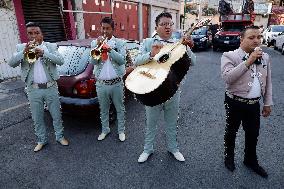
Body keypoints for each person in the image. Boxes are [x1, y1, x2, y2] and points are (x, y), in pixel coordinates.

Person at [135, 12, 194, 163]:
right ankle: (147, 149)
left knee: (172, 123)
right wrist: (150, 54)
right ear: (156, 27)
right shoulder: (148, 42)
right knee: (151, 123)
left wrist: (187, 47)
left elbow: (194, 61)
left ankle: (173, 148)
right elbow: (136, 61)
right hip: (153, 90)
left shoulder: (178, 43)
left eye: (170, 24)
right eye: (164, 24)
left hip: (173, 91)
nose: (168, 27)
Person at [221, 25, 272, 178]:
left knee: (253, 133)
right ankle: (229, 156)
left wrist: (267, 102)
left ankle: (250, 160)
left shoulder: (265, 57)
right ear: (241, 39)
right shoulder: (229, 55)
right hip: (234, 101)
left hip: (254, 104)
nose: (256, 41)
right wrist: (248, 61)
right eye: (251, 38)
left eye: (258, 37)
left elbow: (268, 81)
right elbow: (227, 78)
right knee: (231, 131)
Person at [8, 22, 69, 152]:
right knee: (37, 117)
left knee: (56, 115)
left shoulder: (50, 46)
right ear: (27, 34)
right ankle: (41, 140)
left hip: (51, 87)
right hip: (33, 89)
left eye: (37, 33)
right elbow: (11, 63)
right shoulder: (21, 47)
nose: (34, 36)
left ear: (42, 34)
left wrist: (44, 53)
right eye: (30, 33)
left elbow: (61, 60)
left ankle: (60, 136)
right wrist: (24, 53)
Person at [90, 17, 126, 142]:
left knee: (120, 108)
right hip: (101, 84)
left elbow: (122, 61)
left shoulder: (120, 43)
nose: (105, 31)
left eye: (107, 29)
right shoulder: (95, 43)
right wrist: (98, 47)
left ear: (113, 29)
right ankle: (105, 130)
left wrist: (109, 49)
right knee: (103, 109)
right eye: (103, 28)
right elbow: (93, 61)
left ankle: (121, 131)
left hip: (116, 83)